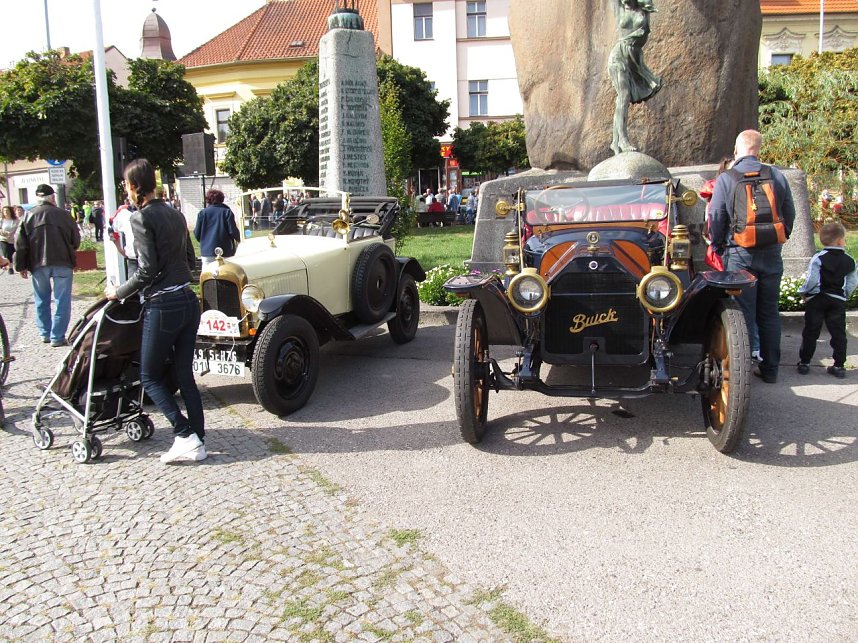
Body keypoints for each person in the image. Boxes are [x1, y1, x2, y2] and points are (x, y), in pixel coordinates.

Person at [105, 159, 205, 464]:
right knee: (184, 375)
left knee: (148, 376)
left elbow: (146, 270)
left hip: (163, 304)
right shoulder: (176, 214)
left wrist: (118, 292)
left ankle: (184, 434)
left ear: (135, 186)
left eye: (126, 184)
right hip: (188, 301)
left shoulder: (141, 217)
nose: (125, 189)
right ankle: (198, 440)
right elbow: (191, 260)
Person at [709, 130, 797, 383]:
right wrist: (780, 237)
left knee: (742, 312)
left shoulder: (727, 178)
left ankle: (742, 374)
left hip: (739, 253)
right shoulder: (776, 175)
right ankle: (770, 370)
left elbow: (716, 216)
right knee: (769, 312)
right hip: (771, 253)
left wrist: (718, 245)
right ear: (758, 149)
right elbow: (789, 212)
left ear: (736, 150)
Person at [14, 184, 80, 346]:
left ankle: (45, 333)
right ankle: (57, 336)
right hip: (63, 262)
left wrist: (21, 266)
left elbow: (20, 244)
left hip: (37, 263)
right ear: (52, 198)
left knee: (41, 299)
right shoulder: (64, 215)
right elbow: (76, 240)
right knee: (62, 300)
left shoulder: (28, 216)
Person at [796, 222, 858, 379]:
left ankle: (805, 362)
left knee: (811, 331)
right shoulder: (850, 260)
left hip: (817, 299)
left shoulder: (818, 258)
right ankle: (839, 366)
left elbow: (812, 279)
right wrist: (844, 295)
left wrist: (804, 292)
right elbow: (852, 282)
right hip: (837, 301)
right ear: (840, 241)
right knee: (838, 333)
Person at [608, 0, 661, 155]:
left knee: (622, 99)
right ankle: (622, 140)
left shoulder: (643, 8)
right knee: (623, 97)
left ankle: (615, 141)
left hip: (633, 60)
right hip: (618, 57)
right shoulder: (620, 9)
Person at [194, 188, 241, 268]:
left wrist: (205, 241)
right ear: (221, 199)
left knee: (207, 273)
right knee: (226, 273)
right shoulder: (227, 212)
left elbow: (197, 233)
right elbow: (232, 231)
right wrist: (239, 239)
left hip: (207, 252)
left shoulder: (202, 213)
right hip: (225, 250)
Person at [0, 205, 19, 275]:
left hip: (14, 239)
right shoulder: (1, 220)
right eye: (4, 211)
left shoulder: (16, 220)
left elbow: (18, 228)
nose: (6, 212)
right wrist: (4, 232)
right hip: (4, 239)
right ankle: (10, 268)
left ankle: (18, 265)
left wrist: (12, 233)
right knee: (7, 253)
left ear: (10, 211)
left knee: (15, 253)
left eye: (7, 211)